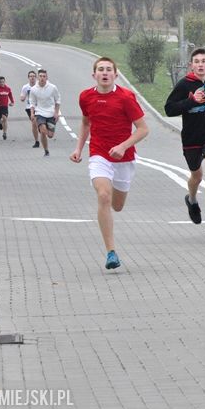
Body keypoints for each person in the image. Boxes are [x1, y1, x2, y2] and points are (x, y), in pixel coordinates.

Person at [70, 57, 148, 270]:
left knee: (117, 205)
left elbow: (143, 129)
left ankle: (115, 186)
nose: (105, 73)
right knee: (104, 196)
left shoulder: (126, 97)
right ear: (94, 75)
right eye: (100, 70)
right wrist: (78, 148)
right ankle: (111, 252)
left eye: (108, 70)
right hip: (99, 154)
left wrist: (123, 146)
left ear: (116, 74)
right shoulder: (86, 96)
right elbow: (86, 122)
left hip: (124, 158)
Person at [165, 47, 205, 231]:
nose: (200, 65)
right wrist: (192, 101)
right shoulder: (184, 85)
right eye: (197, 62)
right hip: (192, 137)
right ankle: (192, 200)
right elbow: (169, 109)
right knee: (196, 175)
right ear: (191, 65)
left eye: (204, 61)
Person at [28, 68, 61, 156]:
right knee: (43, 131)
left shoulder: (53, 87)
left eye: (44, 76)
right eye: (40, 76)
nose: (42, 78)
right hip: (40, 113)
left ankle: (46, 130)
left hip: (51, 113)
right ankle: (46, 150)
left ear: (47, 77)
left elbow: (58, 100)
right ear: (38, 77)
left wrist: (56, 113)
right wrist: (32, 113)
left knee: (50, 135)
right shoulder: (34, 89)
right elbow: (32, 103)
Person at [20, 71, 40, 147]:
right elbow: (22, 97)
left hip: (39, 107)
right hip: (29, 107)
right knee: (34, 123)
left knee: (39, 124)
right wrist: (23, 97)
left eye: (33, 76)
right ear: (28, 78)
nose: (32, 78)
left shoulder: (39, 86)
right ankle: (37, 141)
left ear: (36, 77)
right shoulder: (25, 87)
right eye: (30, 76)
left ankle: (41, 127)